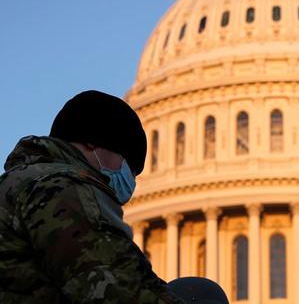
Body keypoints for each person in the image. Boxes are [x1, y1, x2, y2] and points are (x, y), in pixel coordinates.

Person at [0, 91, 184, 303]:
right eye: (128, 164)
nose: (131, 179)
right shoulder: (63, 188)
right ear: (92, 142)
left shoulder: (19, 182)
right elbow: (112, 285)